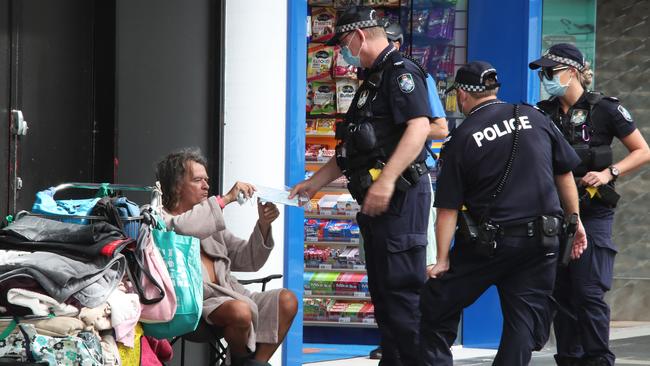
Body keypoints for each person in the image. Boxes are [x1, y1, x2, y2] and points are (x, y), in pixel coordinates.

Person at [420, 61, 588, 365]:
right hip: (542, 242)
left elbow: (448, 209)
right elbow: (564, 174)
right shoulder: (534, 117)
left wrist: (442, 259)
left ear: (462, 94)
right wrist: (575, 221)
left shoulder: (462, 137)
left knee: (436, 305)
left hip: (489, 245)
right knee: (522, 324)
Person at [290, 6, 432, 366]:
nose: (342, 50)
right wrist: (312, 184)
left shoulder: (402, 73)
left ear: (360, 35)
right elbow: (350, 150)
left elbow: (420, 128)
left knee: (402, 294)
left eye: (342, 42)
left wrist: (386, 181)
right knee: (384, 295)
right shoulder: (372, 80)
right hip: (377, 203)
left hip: (399, 197)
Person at [529, 43, 650, 366]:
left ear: (571, 72)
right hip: (555, 213)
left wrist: (610, 172)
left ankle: (598, 359)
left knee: (588, 291)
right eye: (542, 73)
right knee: (562, 291)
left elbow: (642, 150)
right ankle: (569, 358)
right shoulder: (543, 112)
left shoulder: (605, 109)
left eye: (550, 72)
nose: (545, 78)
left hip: (593, 211)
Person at [155, 148, 298, 366]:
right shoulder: (159, 217)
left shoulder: (211, 225)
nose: (206, 186)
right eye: (197, 180)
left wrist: (263, 225)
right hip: (191, 306)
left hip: (231, 297)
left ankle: (253, 363)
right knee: (240, 311)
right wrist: (227, 199)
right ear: (176, 186)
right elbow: (181, 227)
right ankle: (243, 363)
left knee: (287, 300)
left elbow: (249, 260)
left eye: (207, 180)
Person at [365, 20, 449, 362]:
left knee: (408, 282)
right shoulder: (373, 80)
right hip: (380, 194)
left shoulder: (410, 76)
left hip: (408, 188)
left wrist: (389, 173)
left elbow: (438, 126)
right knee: (385, 288)